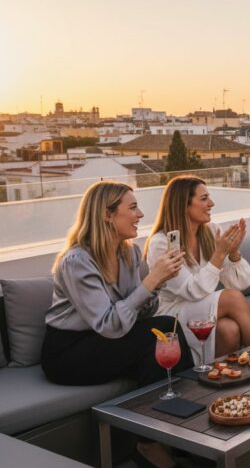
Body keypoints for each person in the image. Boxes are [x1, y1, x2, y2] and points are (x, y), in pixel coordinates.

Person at [41, 181, 193, 467]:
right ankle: (150, 443)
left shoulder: (129, 253)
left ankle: (179, 431)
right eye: (132, 207)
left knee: (167, 330)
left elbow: (142, 313)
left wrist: (157, 282)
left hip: (107, 341)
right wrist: (149, 281)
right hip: (69, 352)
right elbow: (110, 323)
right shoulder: (77, 261)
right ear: (107, 215)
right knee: (157, 337)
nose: (141, 214)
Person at [146, 175, 250, 362]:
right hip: (173, 312)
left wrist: (233, 253)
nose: (211, 203)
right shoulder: (162, 243)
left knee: (229, 330)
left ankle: (221, 381)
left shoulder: (211, 231)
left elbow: (242, 283)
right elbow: (192, 291)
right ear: (184, 205)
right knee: (231, 298)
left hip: (203, 308)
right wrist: (219, 255)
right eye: (204, 199)